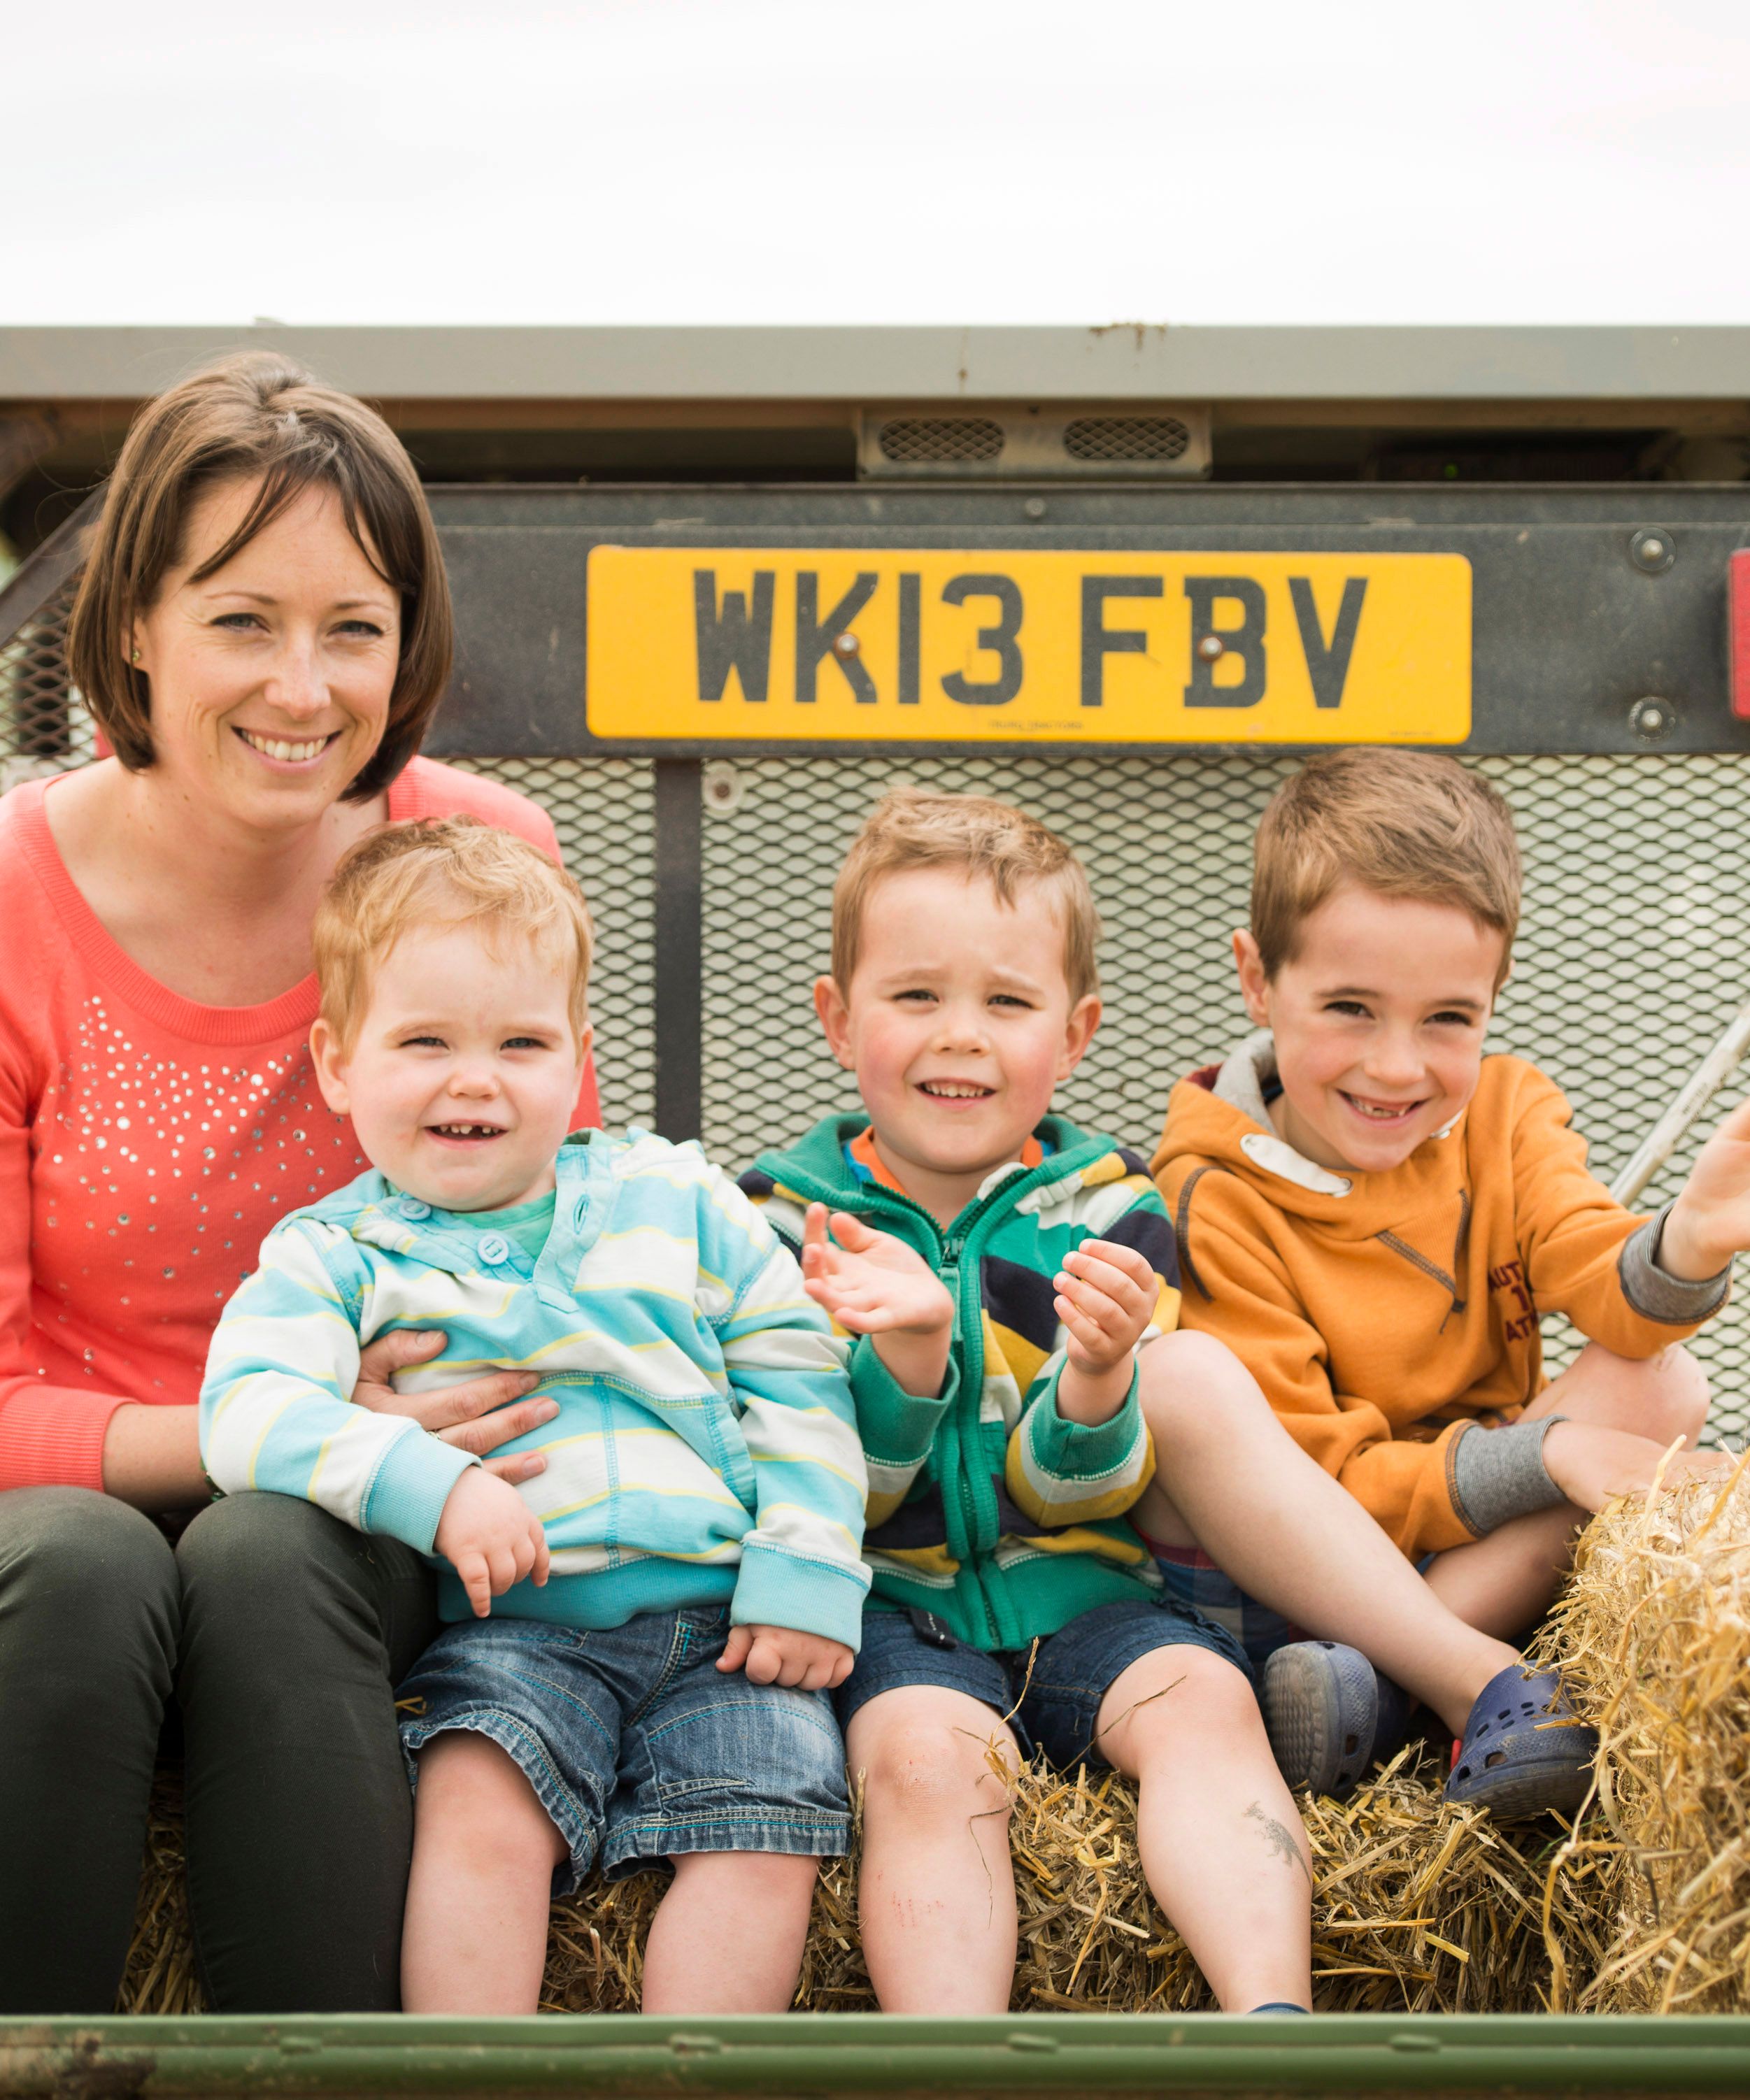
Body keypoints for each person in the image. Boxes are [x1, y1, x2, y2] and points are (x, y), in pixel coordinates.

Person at [738, 792, 1578, 2018]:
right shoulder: (775, 1223)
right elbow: (820, 1491)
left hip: (1088, 1589)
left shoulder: (1110, 1205)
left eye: (1008, 1004)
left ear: (1073, 1035)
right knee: (924, 1771)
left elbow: (1086, 1487)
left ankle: (1270, 2026)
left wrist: (1093, 1377)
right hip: (897, 1613)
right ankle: (949, 2060)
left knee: (1209, 1707)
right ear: (835, 1015)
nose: (960, 1038)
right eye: (916, 997)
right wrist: (912, 1360)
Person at [0, 352, 597, 2013]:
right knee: (82, 1563)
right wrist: (283, 1418)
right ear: (131, 625)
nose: (304, 682)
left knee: (270, 1550)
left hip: (383, 1508)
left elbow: (575, 1231)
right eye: (242, 619)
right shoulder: (8, 905)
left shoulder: (479, 860)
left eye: (354, 624)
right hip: (77, 1497)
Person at [200, 817, 868, 2015]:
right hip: (513, 1632)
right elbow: (247, 1412)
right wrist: (427, 1479)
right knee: (474, 1812)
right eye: (424, 1041)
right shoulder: (336, 1255)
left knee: (761, 1839)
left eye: (520, 1040)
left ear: (577, 1059)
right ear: (338, 1062)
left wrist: (808, 1566)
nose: (476, 1076)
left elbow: (796, 1368)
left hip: (726, 1622)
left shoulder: (674, 1198)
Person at [1151, 748, 1740, 1805]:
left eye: (1446, 1020)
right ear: (1256, 980)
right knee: (1177, 1380)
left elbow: (1590, 1262)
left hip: (1456, 1551)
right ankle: (1441, 1681)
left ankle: (1382, 1700)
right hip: (1300, 1571)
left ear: (1493, 997)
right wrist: (1552, 1455)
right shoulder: (1209, 1191)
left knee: (1664, 1384)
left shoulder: (1509, 1112)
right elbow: (1327, 1487)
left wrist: (1689, 1240)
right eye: (1348, 1009)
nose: (1395, 1067)